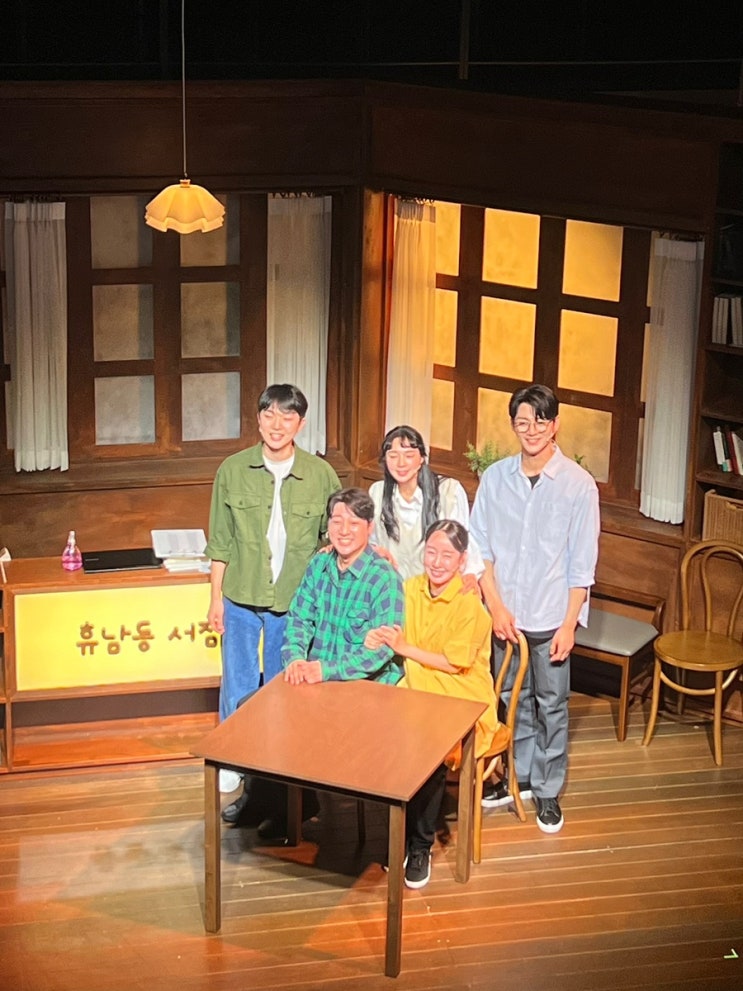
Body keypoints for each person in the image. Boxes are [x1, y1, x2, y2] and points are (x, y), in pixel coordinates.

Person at [204, 383, 340, 820]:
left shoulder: (321, 475)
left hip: (295, 603)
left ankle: (279, 774)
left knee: (285, 690)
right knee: (239, 683)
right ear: (258, 419)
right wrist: (215, 600)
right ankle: (234, 760)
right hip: (241, 594)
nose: (277, 425)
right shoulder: (232, 469)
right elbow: (220, 541)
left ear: (301, 424)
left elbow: (333, 539)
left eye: (287, 417)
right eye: (269, 415)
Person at [469, 384, 600, 835]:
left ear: (555, 425)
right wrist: (496, 606)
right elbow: (480, 548)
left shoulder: (578, 486)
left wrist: (569, 624)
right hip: (505, 615)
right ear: (513, 426)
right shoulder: (494, 478)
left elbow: (582, 564)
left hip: (551, 617)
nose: (532, 430)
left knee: (552, 705)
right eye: (523, 422)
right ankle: (520, 777)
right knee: (511, 698)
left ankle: (547, 789)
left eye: (540, 421)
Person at [247, 487, 404, 842]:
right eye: (336, 521)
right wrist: (296, 659)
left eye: (353, 523)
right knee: (255, 708)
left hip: (364, 689)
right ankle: (281, 804)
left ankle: (293, 806)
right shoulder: (319, 565)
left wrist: (325, 670)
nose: (343, 530)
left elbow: (380, 653)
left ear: (369, 527)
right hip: (316, 681)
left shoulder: (384, 578)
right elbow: (299, 618)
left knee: (301, 724)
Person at [366, 519, 506, 889]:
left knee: (429, 747)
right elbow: (390, 623)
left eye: (447, 555)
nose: (437, 562)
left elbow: (453, 663)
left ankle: (420, 845)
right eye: (431, 552)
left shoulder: (470, 604)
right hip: (418, 687)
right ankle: (397, 834)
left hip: (460, 693)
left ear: (461, 560)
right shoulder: (411, 588)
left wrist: (403, 648)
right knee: (388, 739)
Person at [369, 425, 483, 581]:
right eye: (393, 456)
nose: (401, 463)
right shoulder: (377, 492)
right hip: (392, 586)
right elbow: (371, 542)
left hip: (434, 587)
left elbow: (464, 541)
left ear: (422, 458)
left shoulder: (449, 491)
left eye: (409, 455)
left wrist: (470, 574)